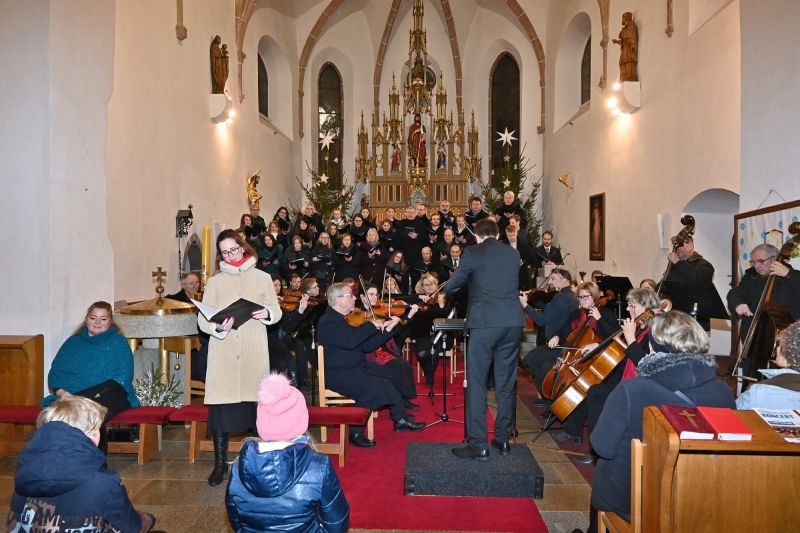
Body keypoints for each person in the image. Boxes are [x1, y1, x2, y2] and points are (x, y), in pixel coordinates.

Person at [588, 311, 734, 533]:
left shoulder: (632, 390)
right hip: (695, 499)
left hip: (632, 500)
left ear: (651, 347)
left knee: (604, 469)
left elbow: (601, 447)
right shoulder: (723, 391)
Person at [198, 229, 282, 486]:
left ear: (243, 246)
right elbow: (203, 319)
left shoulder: (262, 277)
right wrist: (217, 327)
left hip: (253, 350)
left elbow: (276, 311)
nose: (230, 255)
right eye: (224, 252)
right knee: (221, 412)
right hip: (223, 352)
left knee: (256, 411)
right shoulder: (215, 282)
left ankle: (260, 463)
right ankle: (219, 465)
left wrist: (266, 313)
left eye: (233, 249)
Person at [8, 396, 157, 533]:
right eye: (98, 430)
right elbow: (132, 526)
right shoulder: (104, 483)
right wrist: (148, 519)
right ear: (91, 436)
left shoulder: (24, 475)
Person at [226, 373, 349, 533]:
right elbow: (337, 522)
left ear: (260, 423)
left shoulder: (238, 468)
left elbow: (236, 520)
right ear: (302, 421)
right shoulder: (318, 467)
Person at [445, 219, 525, 459]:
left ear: (477, 236)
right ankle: (502, 439)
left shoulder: (472, 252)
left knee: (477, 383)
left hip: (484, 323)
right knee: (505, 383)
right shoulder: (513, 254)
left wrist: (466, 284)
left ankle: (478, 444)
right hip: (512, 323)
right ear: (498, 234)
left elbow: (452, 287)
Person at [317, 282, 425, 447]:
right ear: (338, 300)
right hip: (339, 374)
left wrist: (389, 330)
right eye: (350, 295)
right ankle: (355, 432)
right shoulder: (328, 321)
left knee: (390, 375)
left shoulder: (344, 319)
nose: (355, 298)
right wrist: (370, 325)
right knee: (375, 387)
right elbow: (350, 341)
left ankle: (400, 419)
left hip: (355, 368)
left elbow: (367, 346)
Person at [43, 301, 139, 455]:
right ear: (86, 319)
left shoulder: (118, 341)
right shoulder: (73, 342)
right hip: (74, 395)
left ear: (110, 321)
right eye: (93, 318)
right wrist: (63, 393)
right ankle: (69, 456)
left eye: (103, 319)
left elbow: (124, 375)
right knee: (82, 411)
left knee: (94, 411)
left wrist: (96, 394)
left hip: (111, 394)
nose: (97, 322)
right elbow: (56, 373)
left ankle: (95, 460)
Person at [727, 244, 800, 358]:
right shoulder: (751, 277)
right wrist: (738, 304)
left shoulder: (793, 276)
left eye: (760, 261)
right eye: (753, 262)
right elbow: (734, 293)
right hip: (753, 340)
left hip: (784, 342)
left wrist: (788, 274)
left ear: (774, 259)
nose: (756, 266)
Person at [519, 269, 578, 401]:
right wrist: (536, 301)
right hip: (563, 343)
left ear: (565, 280)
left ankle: (548, 396)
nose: (550, 282)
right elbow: (551, 311)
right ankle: (547, 396)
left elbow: (542, 320)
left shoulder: (561, 297)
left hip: (559, 345)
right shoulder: (569, 296)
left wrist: (525, 306)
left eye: (553, 279)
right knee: (539, 364)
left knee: (529, 361)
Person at [736, 319, 800, 410]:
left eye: (781, 344)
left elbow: (732, 413)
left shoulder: (759, 393)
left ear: (789, 359)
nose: (777, 348)